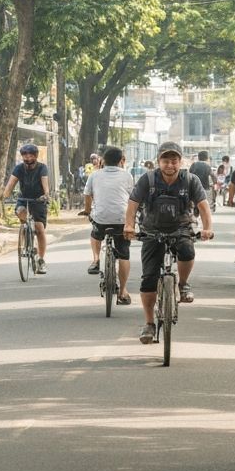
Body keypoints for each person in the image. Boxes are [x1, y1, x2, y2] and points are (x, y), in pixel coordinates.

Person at [124, 141, 214, 343]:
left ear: (181, 162)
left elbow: (203, 206)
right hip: (151, 230)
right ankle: (148, 323)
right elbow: (133, 204)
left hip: (181, 227)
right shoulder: (148, 179)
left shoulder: (191, 180)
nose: (170, 165)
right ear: (159, 161)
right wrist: (129, 226)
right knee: (148, 278)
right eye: (166, 161)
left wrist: (207, 228)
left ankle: (182, 284)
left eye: (174, 161)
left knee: (187, 251)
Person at [82, 146, 134, 303]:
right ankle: (123, 291)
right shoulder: (127, 176)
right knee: (124, 253)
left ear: (103, 160)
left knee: (95, 232)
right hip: (121, 219)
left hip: (101, 219)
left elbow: (87, 194)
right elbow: (132, 197)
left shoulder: (95, 175)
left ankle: (96, 260)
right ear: (121, 161)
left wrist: (87, 211)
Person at [3, 143, 50, 273]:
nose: (27, 158)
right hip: (23, 198)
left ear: (35, 156)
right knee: (20, 212)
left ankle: (41, 259)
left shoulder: (42, 168)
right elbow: (10, 184)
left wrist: (46, 195)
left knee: (40, 229)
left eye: (30, 156)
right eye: (25, 156)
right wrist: (5, 195)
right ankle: (26, 233)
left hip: (38, 199)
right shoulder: (19, 168)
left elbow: (45, 183)